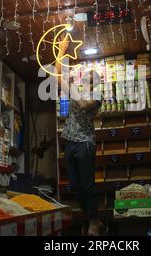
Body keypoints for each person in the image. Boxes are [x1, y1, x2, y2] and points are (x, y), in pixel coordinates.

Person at [56, 40, 103, 236]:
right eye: (86, 76)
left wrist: (71, 87)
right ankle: (93, 217)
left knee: (88, 184)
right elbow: (58, 74)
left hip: (85, 143)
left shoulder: (97, 95)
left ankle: (93, 221)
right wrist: (61, 50)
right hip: (70, 143)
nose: (86, 78)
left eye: (91, 77)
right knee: (75, 186)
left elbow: (84, 105)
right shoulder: (77, 91)